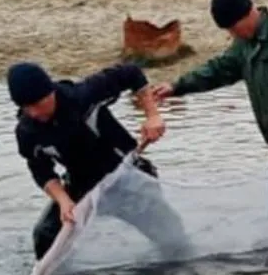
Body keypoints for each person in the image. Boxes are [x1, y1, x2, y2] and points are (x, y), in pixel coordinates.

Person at [146, 0, 268, 235]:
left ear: (248, 14)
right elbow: (220, 69)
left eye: (232, 28)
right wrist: (177, 86)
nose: (232, 34)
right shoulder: (245, 44)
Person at [10, 61, 189, 261]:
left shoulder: (83, 95)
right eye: (27, 108)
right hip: (81, 185)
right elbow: (40, 170)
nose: (35, 113)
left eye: (39, 104)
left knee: (172, 237)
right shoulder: (27, 131)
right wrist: (62, 200)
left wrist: (153, 115)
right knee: (45, 236)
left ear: (51, 92)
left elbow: (131, 72)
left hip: (125, 174)